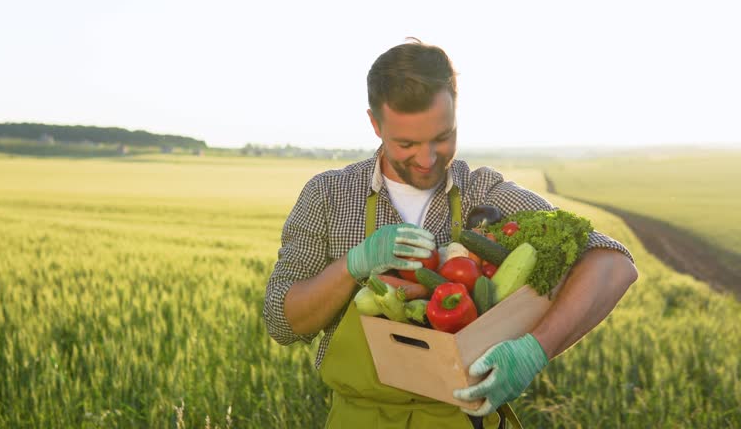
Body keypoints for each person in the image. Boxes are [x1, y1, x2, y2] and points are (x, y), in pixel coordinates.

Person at [264, 38, 638, 429]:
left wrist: (534, 351)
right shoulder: (329, 196)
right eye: (406, 143)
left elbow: (613, 265)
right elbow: (281, 321)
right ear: (375, 124)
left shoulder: (484, 193)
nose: (427, 160)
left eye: (442, 137)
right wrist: (352, 265)